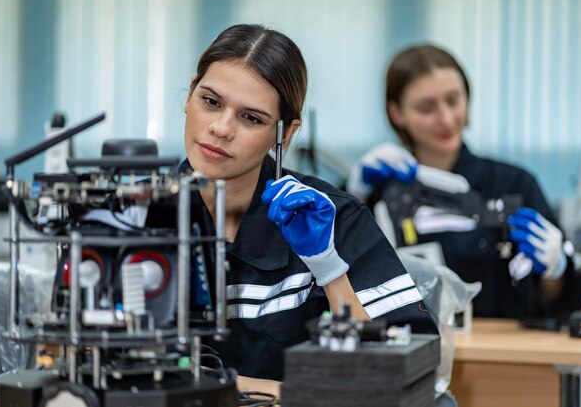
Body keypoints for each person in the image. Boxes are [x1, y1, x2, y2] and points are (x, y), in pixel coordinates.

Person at [147, 25, 437, 385]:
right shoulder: (132, 216)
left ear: (285, 133)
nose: (221, 128)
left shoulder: (331, 218)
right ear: (190, 94)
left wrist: (330, 271)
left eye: (251, 118)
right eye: (211, 101)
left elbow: (402, 373)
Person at [346, 44, 581, 320]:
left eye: (453, 100)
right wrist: (354, 196)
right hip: (403, 351)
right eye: (427, 107)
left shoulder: (513, 185)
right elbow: (339, 279)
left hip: (499, 354)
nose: (446, 118)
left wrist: (555, 271)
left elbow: (557, 305)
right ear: (397, 113)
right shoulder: (378, 190)